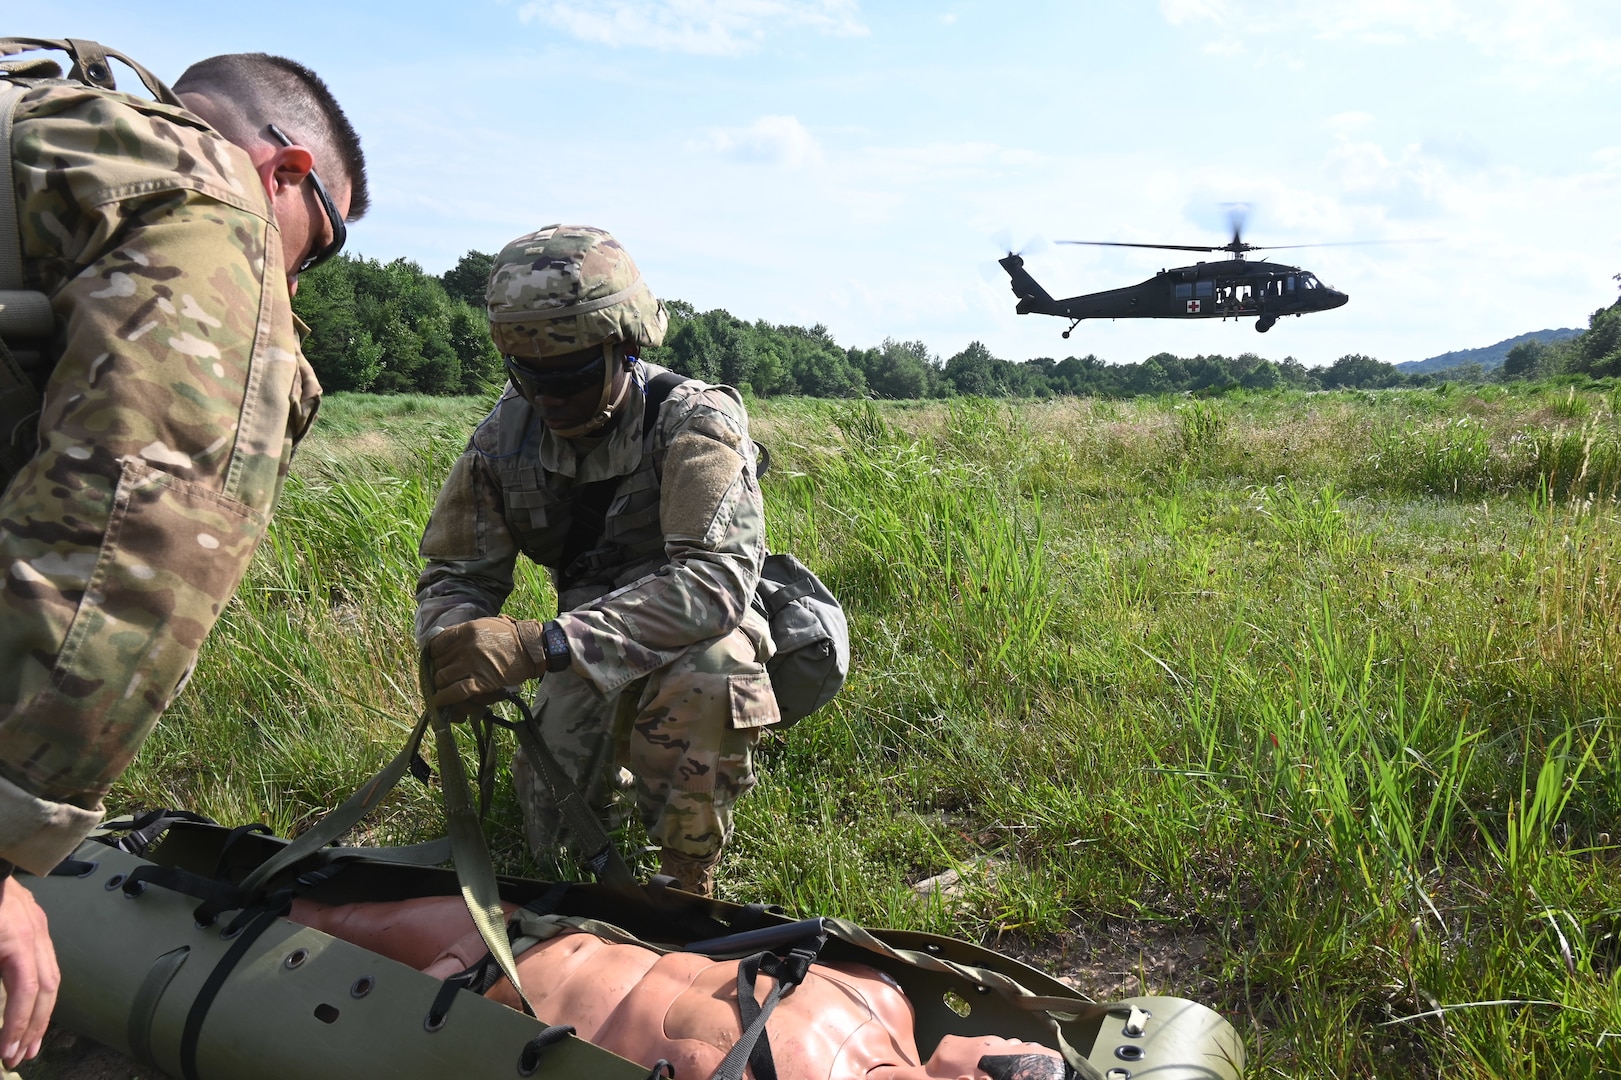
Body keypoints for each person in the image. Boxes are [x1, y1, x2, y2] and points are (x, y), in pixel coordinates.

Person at [0, 44, 368, 1070]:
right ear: (286, 174)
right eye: (316, 248)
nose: (290, 275)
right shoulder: (212, 204)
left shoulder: (41, 132)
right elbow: (139, 531)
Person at [418, 225, 778, 899]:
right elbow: (456, 574)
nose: (548, 399)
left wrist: (542, 643)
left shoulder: (694, 422)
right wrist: (454, 643)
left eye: (572, 376)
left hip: (695, 631)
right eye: (527, 377)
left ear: (626, 348)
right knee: (548, 846)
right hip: (583, 645)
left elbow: (716, 583)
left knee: (711, 671)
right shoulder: (502, 441)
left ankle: (684, 877)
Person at [290, 895, 1069, 1080]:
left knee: (295, 944)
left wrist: (449, 983)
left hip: (465, 1004)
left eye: (1028, 1065)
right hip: (530, 933)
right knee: (314, 908)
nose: (1023, 1047)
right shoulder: (883, 995)